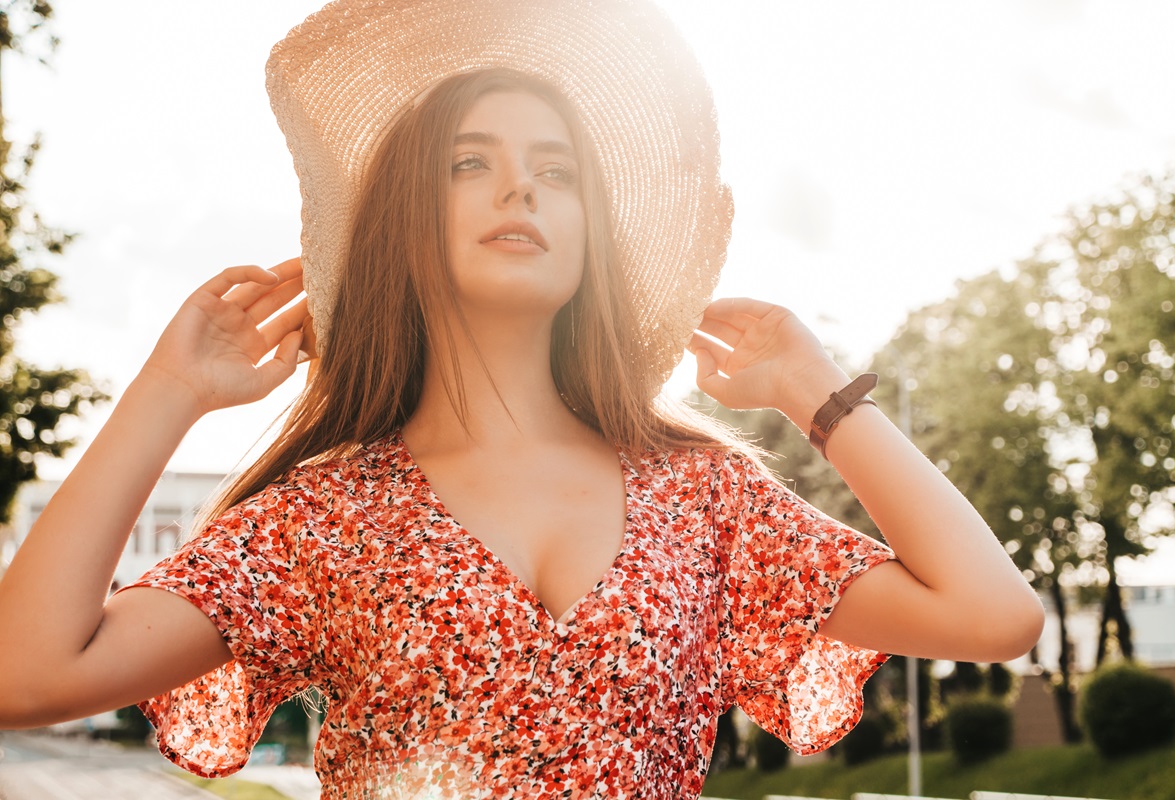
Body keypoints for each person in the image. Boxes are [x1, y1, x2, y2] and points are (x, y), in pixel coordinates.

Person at [0, 0, 1044, 798]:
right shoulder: (324, 520)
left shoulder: (704, 498)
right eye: (472, 163)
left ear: (591, 237)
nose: (522, 188)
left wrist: (821, 395)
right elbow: (26, 673)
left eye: (557, 169)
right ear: (410, 219)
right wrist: (169, 392)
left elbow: (994, 615)